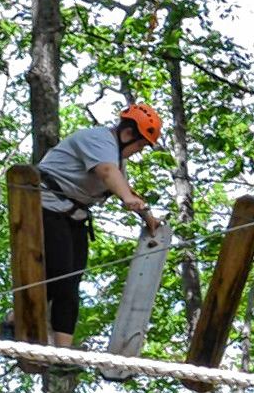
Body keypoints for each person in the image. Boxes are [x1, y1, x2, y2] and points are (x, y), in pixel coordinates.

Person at [30, 103, 163, 341]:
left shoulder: (116, 158)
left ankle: (63, 353)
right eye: (140, 146)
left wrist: (148, 217)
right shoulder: (99, 139)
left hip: (74, 216)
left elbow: (123, 185)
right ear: (128, 134)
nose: (139, 151)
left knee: (70, 283)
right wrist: (127, 197)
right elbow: (106, 173)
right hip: (46, 207)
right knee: (58, 273)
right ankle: (16, 322)